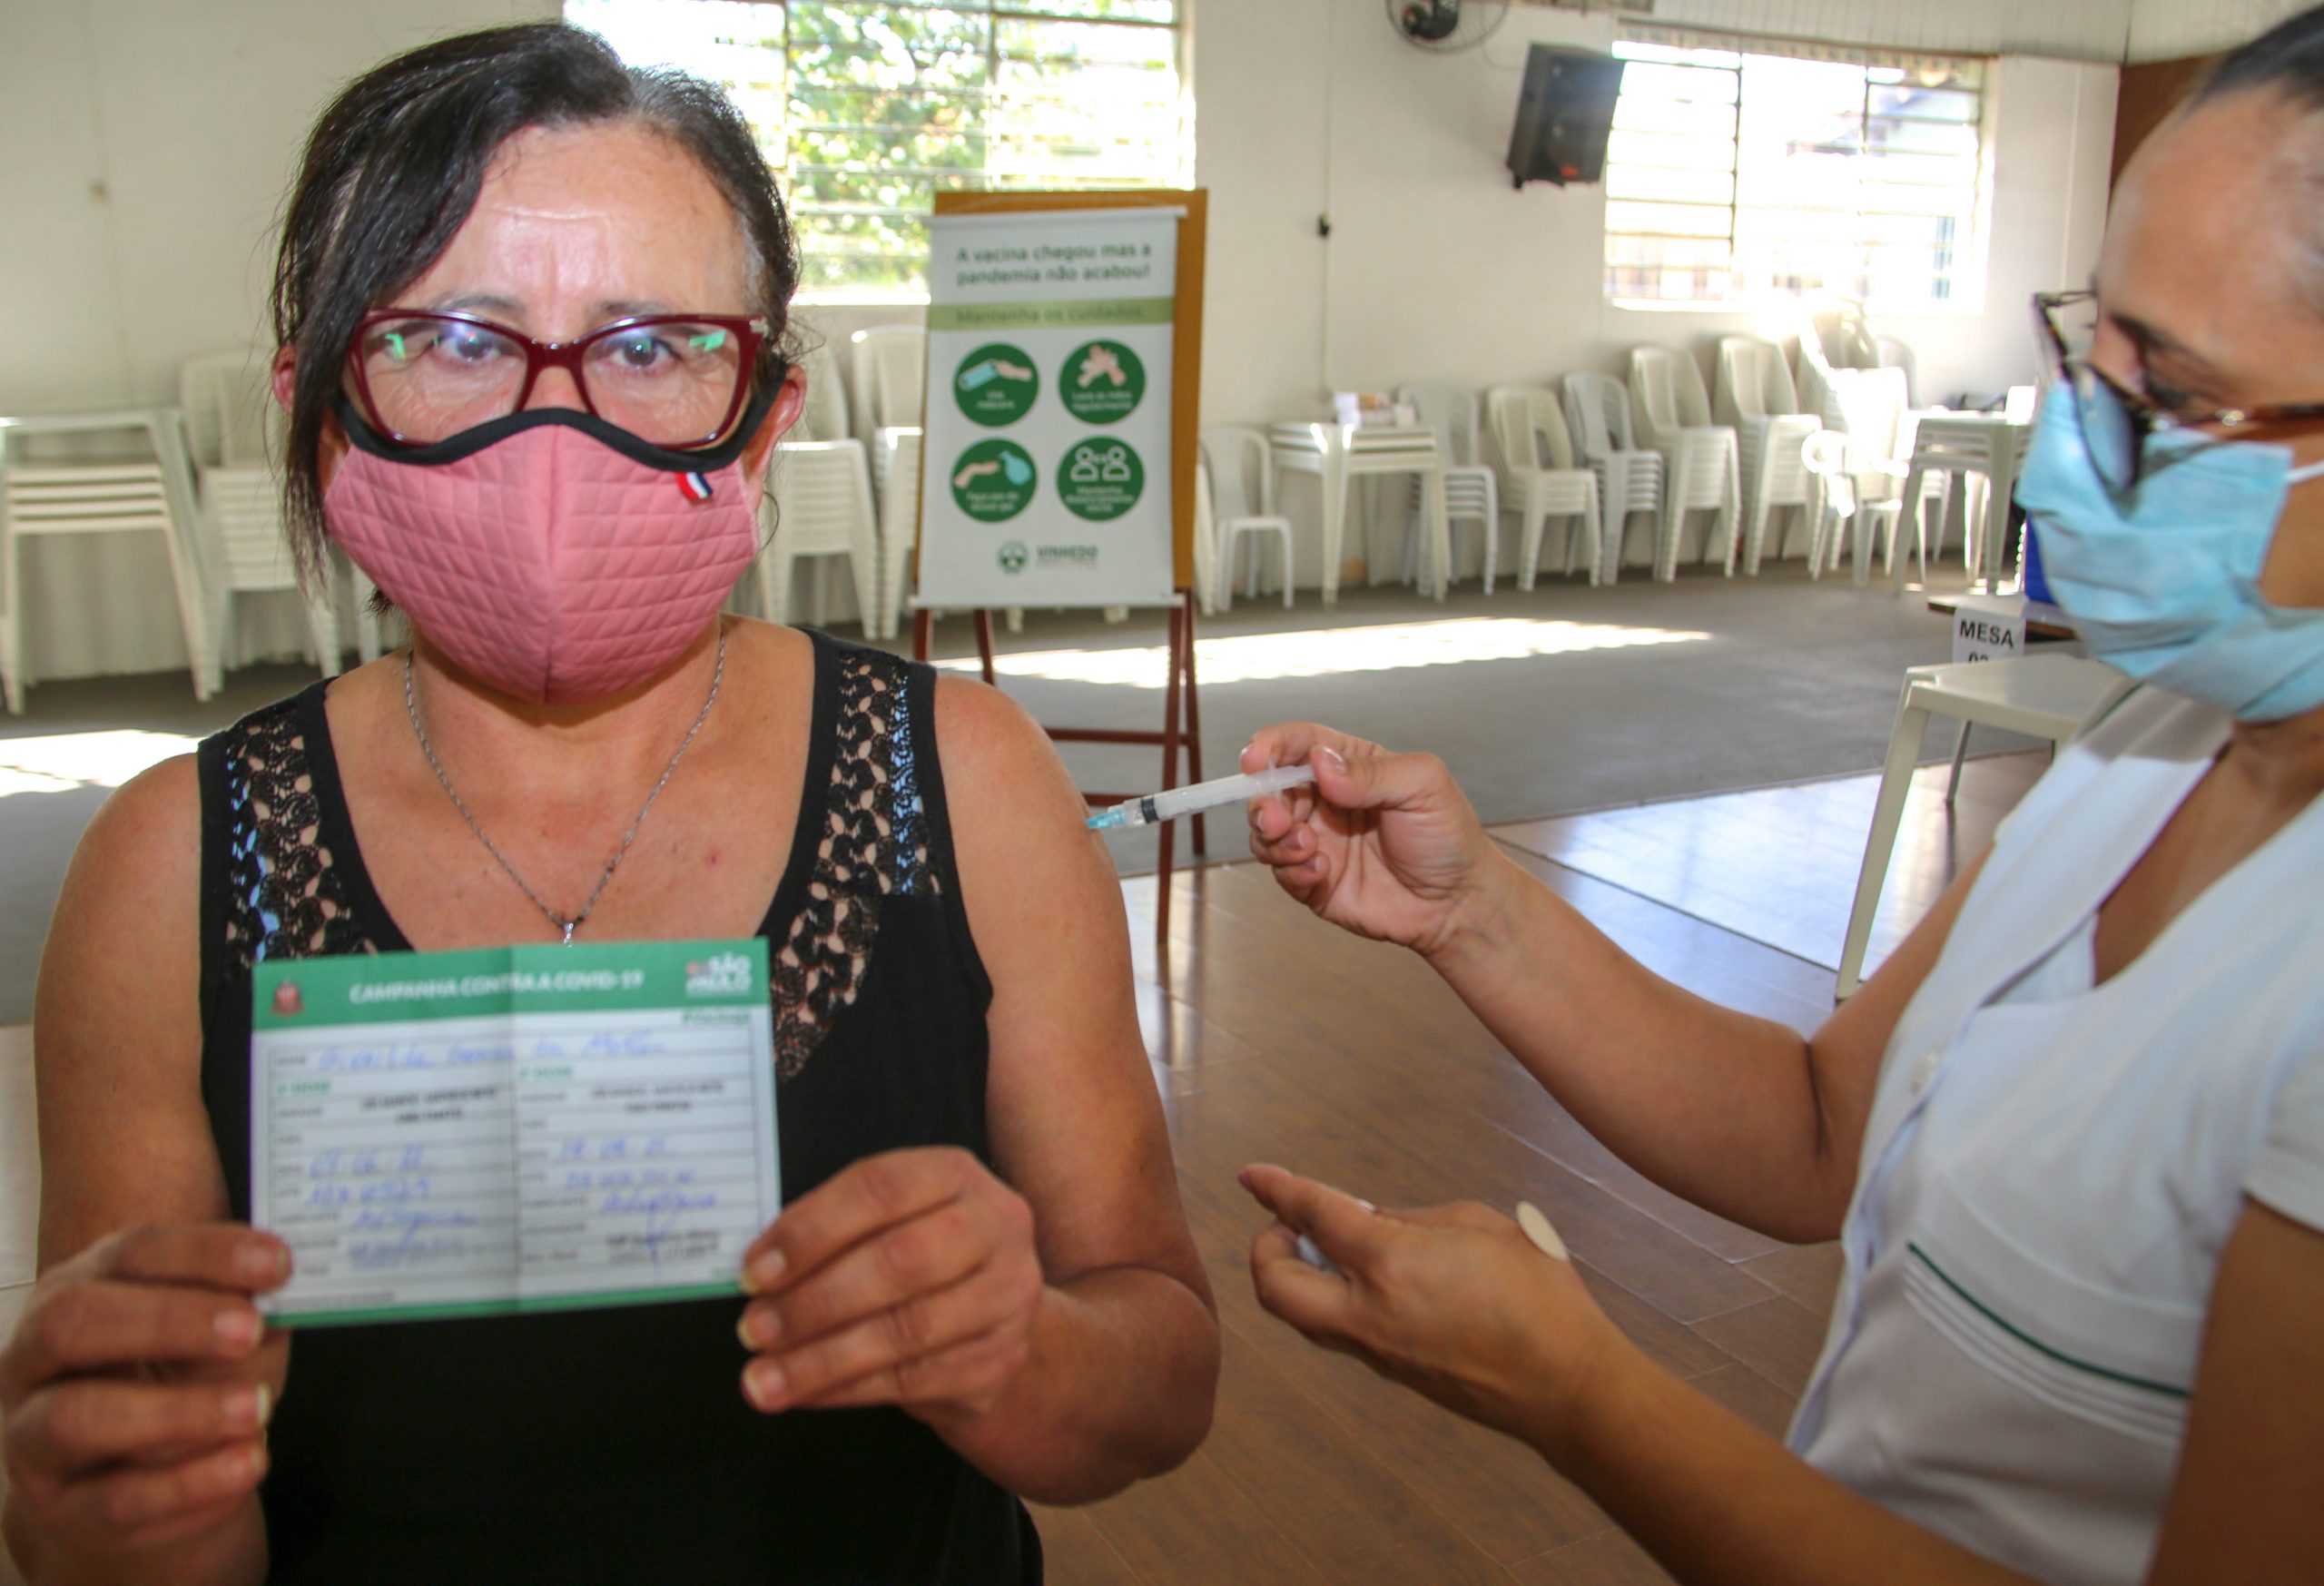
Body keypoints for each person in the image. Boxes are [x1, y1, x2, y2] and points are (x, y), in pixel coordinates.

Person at [0, 24, 1216, 1584]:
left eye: (649, 346)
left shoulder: (967, 787)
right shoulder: (167, 870)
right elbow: (146, 1523)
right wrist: (110, 1512)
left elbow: (1162, 1372)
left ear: (764, 409)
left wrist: (1026, 1351)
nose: (556, 431)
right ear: (320, 407)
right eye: (454, 337)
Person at [1235, 14, 2324, 1586]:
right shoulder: (2163, 738)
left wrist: (1581, 1393)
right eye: (2090, 355)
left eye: (2168, 404)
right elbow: (1823, 1128)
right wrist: (1470, 906)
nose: (2068, 452)